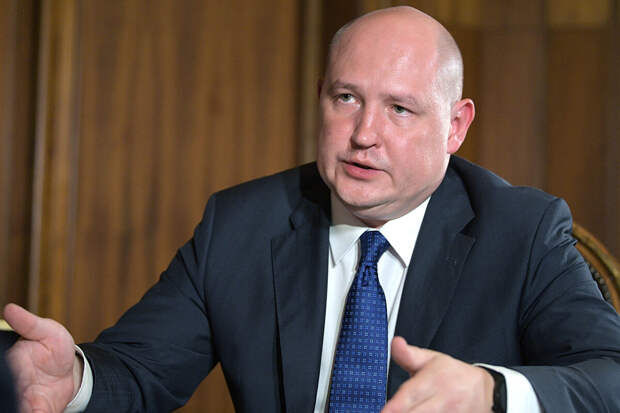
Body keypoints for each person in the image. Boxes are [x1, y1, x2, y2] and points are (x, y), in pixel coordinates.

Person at [4, 6, 620, 413]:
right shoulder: (241, 226)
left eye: (400, 109)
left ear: (455, 127)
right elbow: (141, 370)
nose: (364, 134)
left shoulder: (521, 231)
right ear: (320, 97)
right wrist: (74, 380)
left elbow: (611, 377)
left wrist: (491, 391)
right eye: (346, 98)